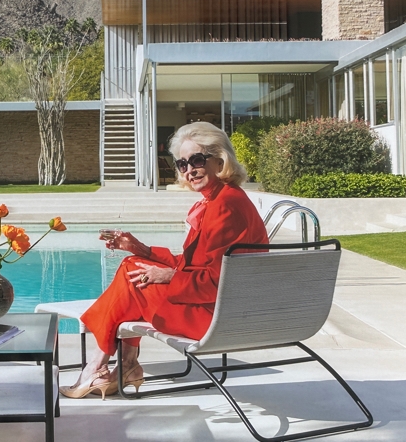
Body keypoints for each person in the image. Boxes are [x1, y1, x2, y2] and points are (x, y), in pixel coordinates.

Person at [60, 121, 268, 399]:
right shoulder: (221, 199)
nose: (189, 170)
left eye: (196, 160)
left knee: (131, 272)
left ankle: (100, 366)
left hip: (218, 318)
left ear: (220, 160)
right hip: (223, 310)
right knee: (133, 267)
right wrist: (142, 249)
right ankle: (124, 364)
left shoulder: (225, 207)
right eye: (182, 164)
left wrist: (167, 275)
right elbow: (198, 263)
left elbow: (219, 281)